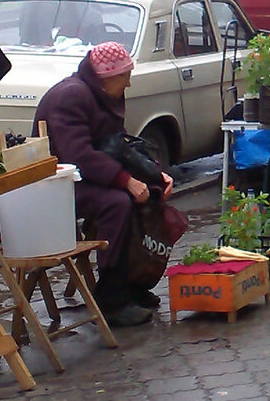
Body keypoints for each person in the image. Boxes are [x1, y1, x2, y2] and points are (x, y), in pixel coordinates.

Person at [34, 42, 173, 327]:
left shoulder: (98, 96)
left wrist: (155, 175)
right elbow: (78, 155)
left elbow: (118, 144)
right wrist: (126, 181)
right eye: (125, 77)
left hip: (82, 178)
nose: (129, 83)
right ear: (106, 78)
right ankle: (111, 297)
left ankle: (132, 284)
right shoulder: (71, 97)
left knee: (144, 195)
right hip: (55, 187)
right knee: (118, 202)